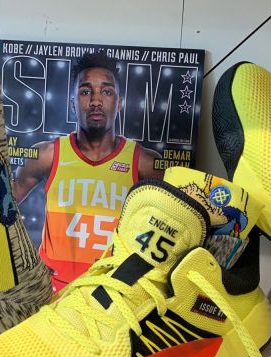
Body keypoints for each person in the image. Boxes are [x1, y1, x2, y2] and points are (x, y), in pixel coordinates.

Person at [14, 52, 163, 290]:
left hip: (110, 291)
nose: (95, 100)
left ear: (119, 102)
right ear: (72, 103)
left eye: (106, 91)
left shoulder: (143, 162)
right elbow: (0, 205)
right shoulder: (48, 154)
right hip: (52, 291)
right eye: (85, 92)